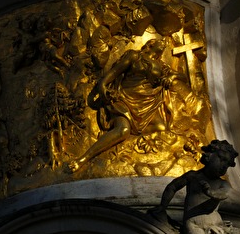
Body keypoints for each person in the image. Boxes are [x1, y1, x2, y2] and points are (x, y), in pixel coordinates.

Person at [69, 37, 179, 171]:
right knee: (123, 130)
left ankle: (127, 139)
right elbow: (115, 72)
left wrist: (171, 77)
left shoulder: (161, 65)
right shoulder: (135, 55)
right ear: (151, 44)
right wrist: (102, 84)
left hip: (146, 103)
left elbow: (179, 75)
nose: (164, 43)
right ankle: (83, 159)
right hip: (125, 97)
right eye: (160, 42)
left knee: (161, 127)